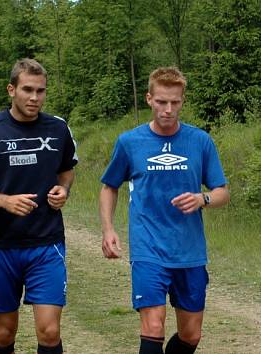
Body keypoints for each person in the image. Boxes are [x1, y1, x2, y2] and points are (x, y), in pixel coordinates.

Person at [100, 66, 230, 354]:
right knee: (154, 327)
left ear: (183, 101)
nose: (168, 109)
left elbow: (222, 192)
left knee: (191, 334)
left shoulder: (200, 141)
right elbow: (109, 186)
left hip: (189, 250)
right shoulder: (130, 142)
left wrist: (202, 199)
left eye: (174, 102)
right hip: (149, 248)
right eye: (161, 101)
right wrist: (108, 229)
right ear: (149, 99)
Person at [0, 58, 77, 354]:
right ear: (11, 90)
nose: (34, 97)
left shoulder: (58, 128)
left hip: (46, 243)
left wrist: (63, 189)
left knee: (49, 332)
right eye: (27, 90)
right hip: (1, 245)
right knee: (4, 333)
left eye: (40, 91)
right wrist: (4, 201)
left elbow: (67, 168)